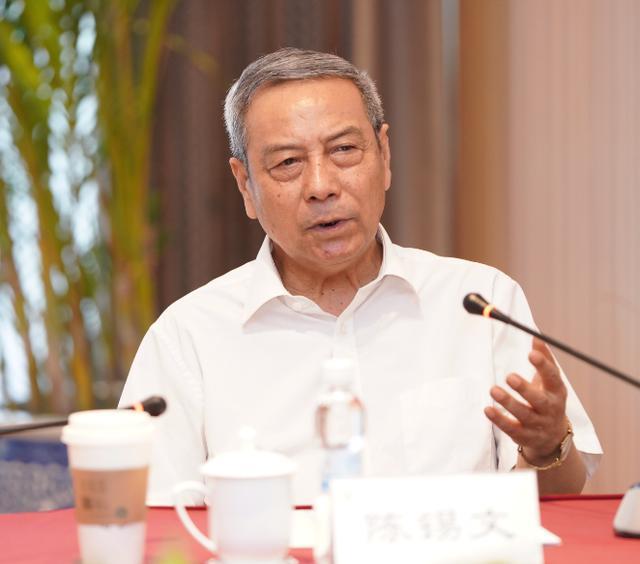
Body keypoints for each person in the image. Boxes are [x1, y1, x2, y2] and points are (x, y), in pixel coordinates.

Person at [119, 47, 602, 506]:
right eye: (288, 162)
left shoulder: (480, 302)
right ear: (246, 185)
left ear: (384, 155)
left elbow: (560, 501)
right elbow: (155, 521)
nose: (321, 186)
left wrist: (547, 447)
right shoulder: (188, 336)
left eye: (344, 150)